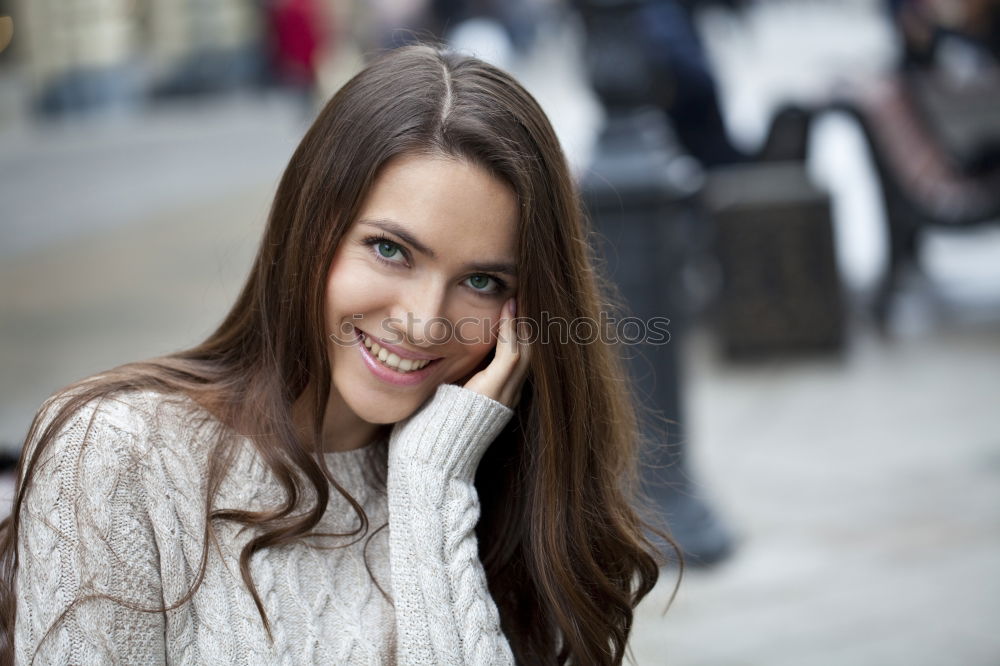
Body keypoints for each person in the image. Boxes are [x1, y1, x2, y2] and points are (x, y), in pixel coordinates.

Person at [0, 45, 678, 665]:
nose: (422, 322)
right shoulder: (116, 452)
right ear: (310, 231)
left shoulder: (502, 495)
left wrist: (430, 485)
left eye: (482, 281)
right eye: (390, 249)